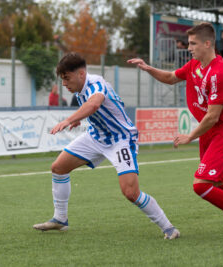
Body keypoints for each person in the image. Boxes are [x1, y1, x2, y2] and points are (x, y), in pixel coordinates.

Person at [128, 22, 223, 242]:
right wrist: (148, 68)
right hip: (209, 133)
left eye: (193, 43)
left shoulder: (220, 73)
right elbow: (171, 78)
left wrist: (190, 136)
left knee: (201, 185)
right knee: (216, 185)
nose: (189, 47)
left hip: (222, 133)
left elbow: (212, 116)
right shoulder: (195, 66)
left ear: (207, 43)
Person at [33, 52, 180, 240]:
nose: (64, 84)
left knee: (130, 192)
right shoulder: (79, 88)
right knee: (58, 168)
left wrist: (70, 119)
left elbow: (94, 104)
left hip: (121, 139)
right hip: (96, 137)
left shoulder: (96, 84)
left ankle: (168, 228)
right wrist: (80, 120)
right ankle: (60, 219)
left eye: (66, 78)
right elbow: (93, 109)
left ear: (81, 74)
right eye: (62, 79)